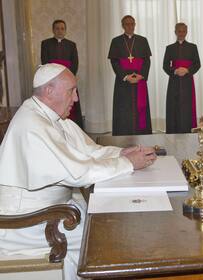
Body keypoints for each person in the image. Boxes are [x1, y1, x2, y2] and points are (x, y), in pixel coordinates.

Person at [0, 63, 157, 279]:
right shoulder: (32, 124)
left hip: (55, 211)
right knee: (110, 239)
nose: (75, 98)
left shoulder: (53, 117)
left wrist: (122, 154)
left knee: (116, 224)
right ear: (49, 91)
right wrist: (129, 164)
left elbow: (89, 151)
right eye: (71, 90)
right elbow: (79, 173)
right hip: (28, 222)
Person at [108, 15, 152, 135]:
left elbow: (147, 60)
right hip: (123, 81)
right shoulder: (116, 41)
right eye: (127, 24)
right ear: (122, 26)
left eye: (132, 24)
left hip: (139, 80)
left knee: (140, 109)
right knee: (123, 109)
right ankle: (123, 134)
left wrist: (141, 75)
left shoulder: (143, 40)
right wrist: (125, 77)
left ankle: (142, 134)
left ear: (135, 25)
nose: (130, 26)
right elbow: (114, 61)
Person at [41, 19, 84, 129]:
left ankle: (73, 128)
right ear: (53, 30)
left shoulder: (71, 45)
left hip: (68, 80)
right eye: (57, 28)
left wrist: (67, 79)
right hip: (53, 81)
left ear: (65, 30)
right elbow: (45, 62)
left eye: (62, 28)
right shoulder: (46, 44)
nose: (60, 31)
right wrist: (55, 78)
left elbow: (75, 64)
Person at [163, 22, 201, 134]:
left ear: (186, 32)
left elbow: (197, 64)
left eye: (183, 31)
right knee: (173, 106)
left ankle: (187, 130)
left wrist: (187, 70)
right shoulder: (169, 48)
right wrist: (174, 70)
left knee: (186, 107)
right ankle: (173, 131)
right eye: (179, 31)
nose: (181, 33)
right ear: (175, 32)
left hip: (187, 81)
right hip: (174, 81)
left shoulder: (193, 47)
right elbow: (165, 65)